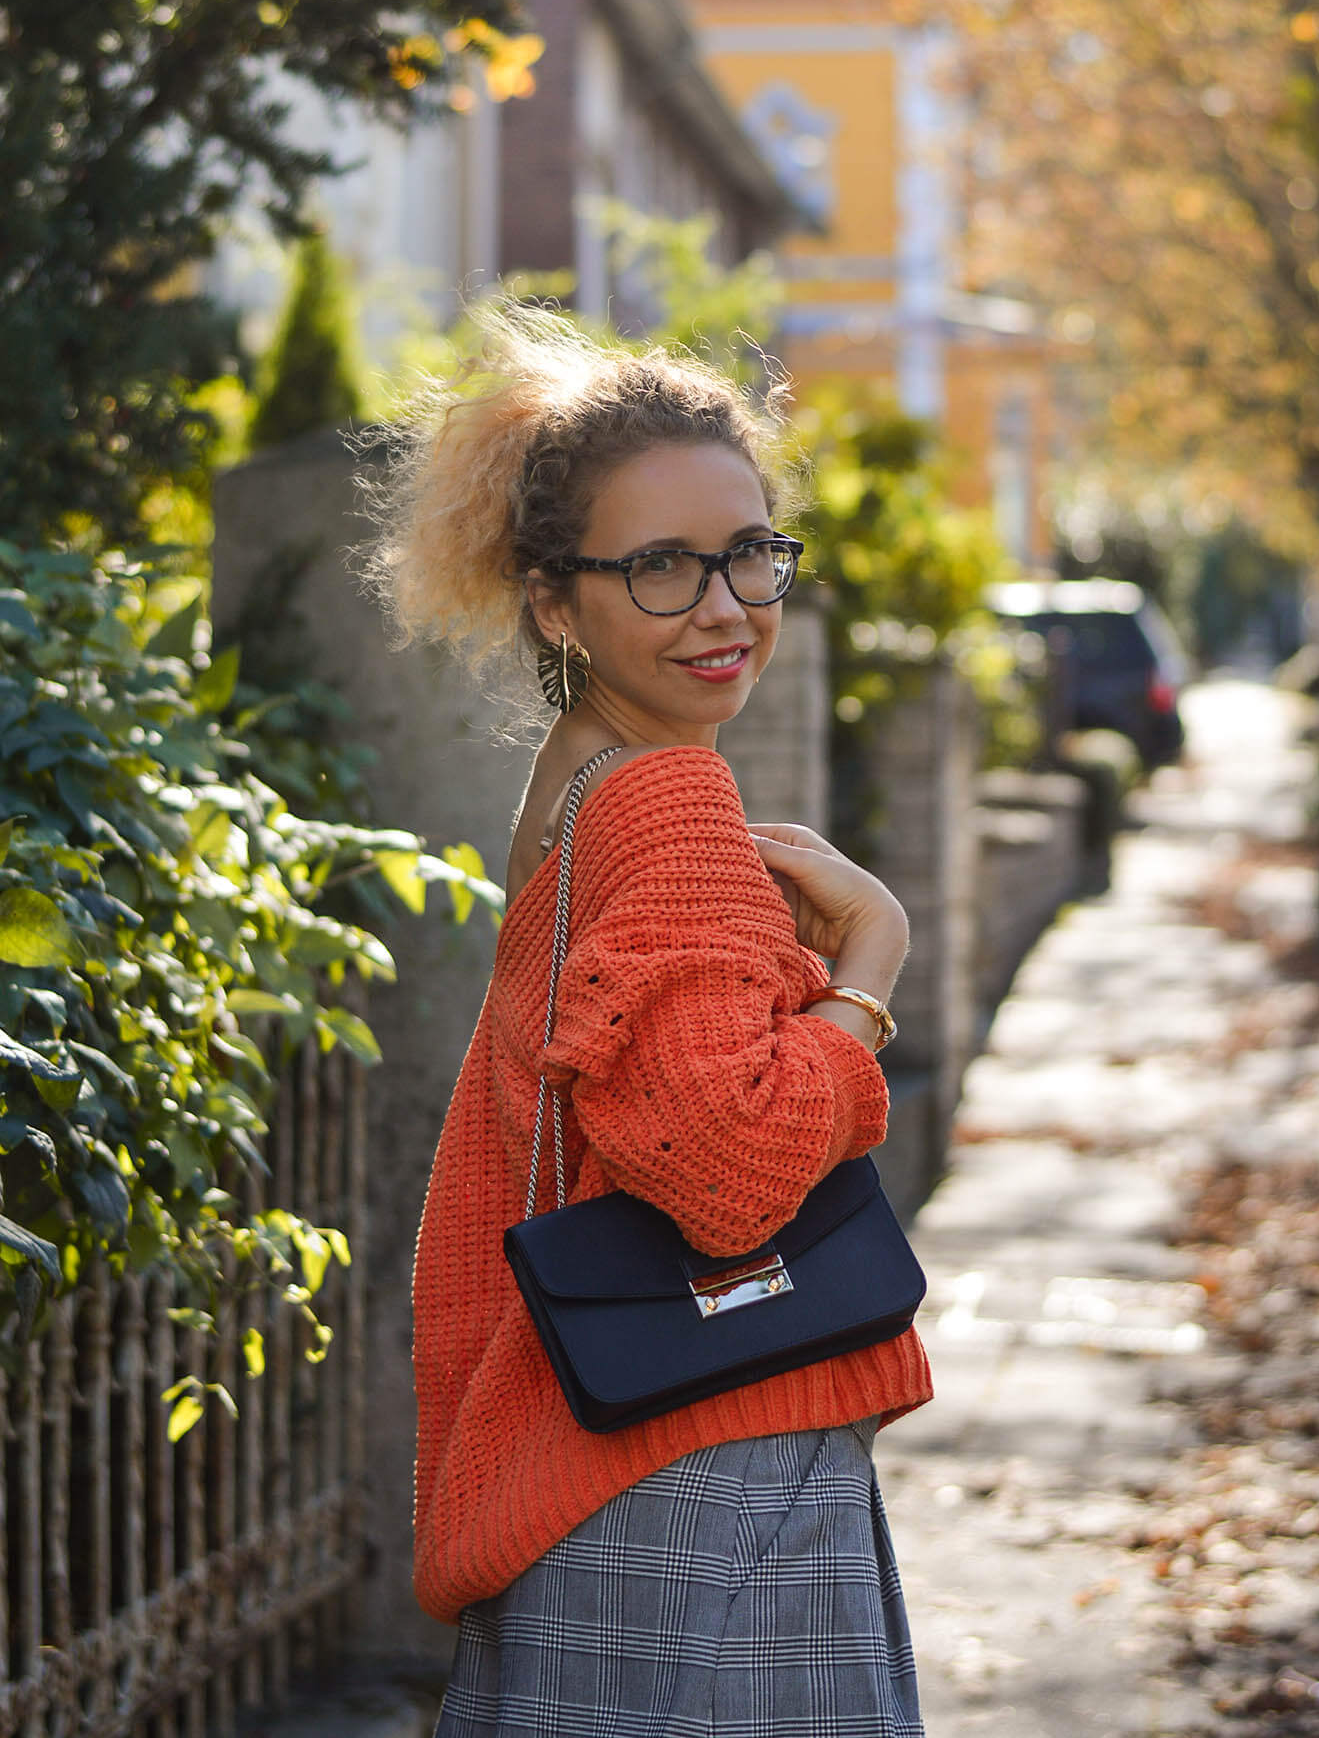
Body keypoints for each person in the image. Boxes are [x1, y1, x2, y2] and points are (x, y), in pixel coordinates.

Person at [361, 306, 932, 1737]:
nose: (727, 604)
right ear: (557, 602)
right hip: (704, 1476)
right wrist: (868, 969)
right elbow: (727, 1171)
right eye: (663, 567)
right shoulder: (670, 798)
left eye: (749, 551)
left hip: (602, 1468)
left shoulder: (572, 788)